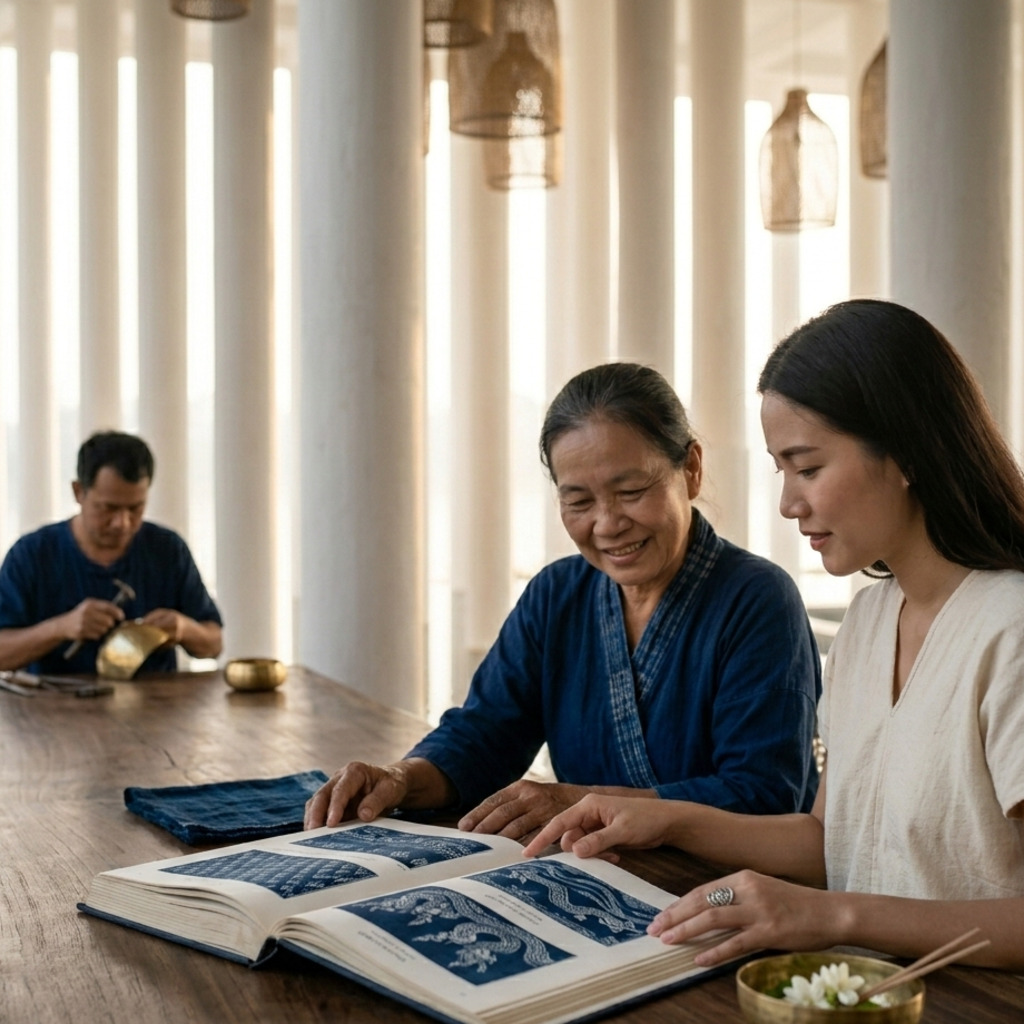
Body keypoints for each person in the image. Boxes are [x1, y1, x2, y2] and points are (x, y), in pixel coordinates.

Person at [525, 299, 1024, 970]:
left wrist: (833, 914)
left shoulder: (1009, 628)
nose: (789, 502)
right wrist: (665, 817)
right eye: (781, 471)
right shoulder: (872, 622)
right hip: (853, 995)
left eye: (809, 468)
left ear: (906, 452)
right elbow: (828, 839)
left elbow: (835, 888)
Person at [305, 362, 821, 839]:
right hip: (592, 873)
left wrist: (579, 802)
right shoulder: (556, 596)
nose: (607, 523)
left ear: (690, 469)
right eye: (578, 501)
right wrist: (399, 778)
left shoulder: (757, 600)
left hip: (723, 895)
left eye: (631, 490)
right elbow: (486, 737)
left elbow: (763, 798)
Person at [0, 431, 223, 675]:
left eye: (136, 508)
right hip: (54, 705)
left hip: (155, 707)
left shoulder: (167, 550)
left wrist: (183, 629)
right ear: (78, 492)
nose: (122, 523)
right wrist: (60, 628)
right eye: (109, 508)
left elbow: (214, 644)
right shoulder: (33, 555)